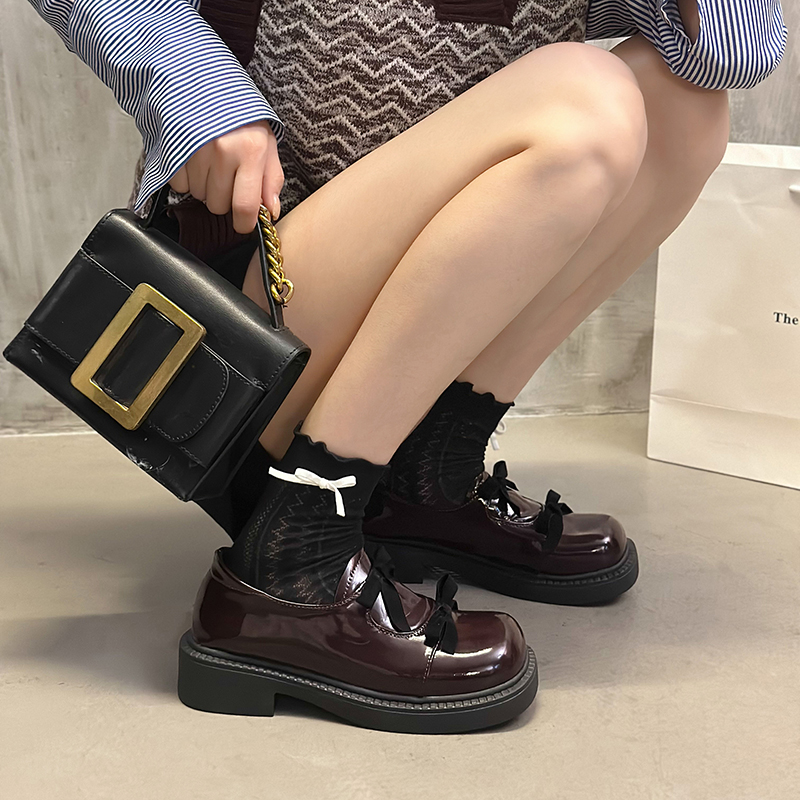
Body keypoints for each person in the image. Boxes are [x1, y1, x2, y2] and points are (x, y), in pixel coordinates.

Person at [27, 0, 787, 733]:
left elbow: (728, 52)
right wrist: (195, 88)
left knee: (682, 109)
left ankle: (428, 482)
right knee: (587, 102)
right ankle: (291, 564)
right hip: (257, 315)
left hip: (386, 319)